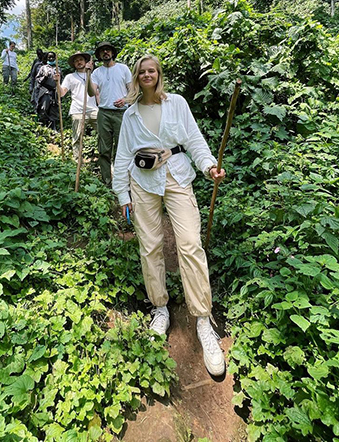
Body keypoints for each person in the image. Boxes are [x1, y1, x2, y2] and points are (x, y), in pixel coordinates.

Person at [112, 55, 227, 377]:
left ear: (158, 75)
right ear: (136, 77)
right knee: (150, 246)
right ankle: (159, 307)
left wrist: (207, 166)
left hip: (177, 177)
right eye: (142, 71)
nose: (147, 75)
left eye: (152, 70)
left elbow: (193, 139)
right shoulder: (130, 115)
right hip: (142, 181)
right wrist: (122, 194)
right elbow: (122, 156)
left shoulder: (176, 103)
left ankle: (203, 319)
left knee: (190, 244)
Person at [86, 41, 132, 186]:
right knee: (104, 149)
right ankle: (107, 181)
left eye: (108, 50)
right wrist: (88, 74)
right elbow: (91, 92)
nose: (105, 52)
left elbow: (133, 92)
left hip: (122, 113)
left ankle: (122, 180)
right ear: (99, 55)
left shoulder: (123, 69)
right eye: (102, 51)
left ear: (112, 53)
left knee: (122, 148)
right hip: (104, 113)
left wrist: (125, 100)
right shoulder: (96, 72)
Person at [60, 51, 98, 161]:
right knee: (77, 137)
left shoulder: (93, 74)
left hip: (94, 110)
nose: (79, 62)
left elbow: (97, 93)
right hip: (78, 111)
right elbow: (62, 93)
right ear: (73, 64)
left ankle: (103, 157)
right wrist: (57, 83)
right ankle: (78, 161)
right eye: (76, 61)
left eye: (81, 59)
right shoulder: (70, 77)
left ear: (85, 61)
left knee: (103, 134)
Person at [35, 51, 62, 129]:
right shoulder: (43, 68)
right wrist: (45, 77)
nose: (51, 58)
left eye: (52, 57)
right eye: (49, 57)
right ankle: (42, 126)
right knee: (44, 108)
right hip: (45, 91)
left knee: (54, 109)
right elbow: (38, 79)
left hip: (55, 91)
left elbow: (62, 80)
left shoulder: (58, 68)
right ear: (46, 58)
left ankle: (53, 127)